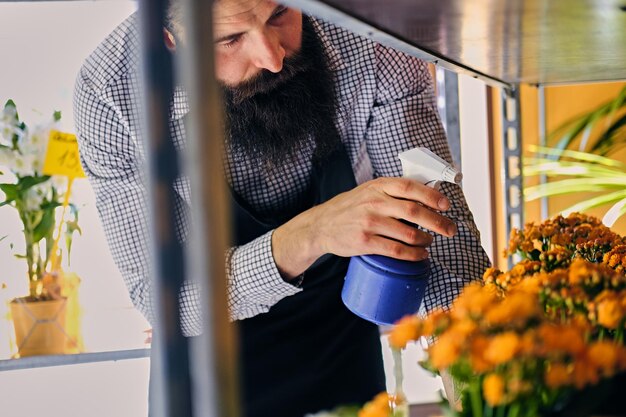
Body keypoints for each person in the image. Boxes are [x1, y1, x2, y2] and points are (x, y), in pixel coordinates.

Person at [73, 1, 490, 416]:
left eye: (280, 14)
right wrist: (311, 233)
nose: (272, 57)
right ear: (172, 41)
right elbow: (165, 295)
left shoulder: (375, 32)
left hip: (339, 328)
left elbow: (441, 234)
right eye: (231, 39)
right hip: (208, 362)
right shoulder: (111, 92)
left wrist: (480, 382)